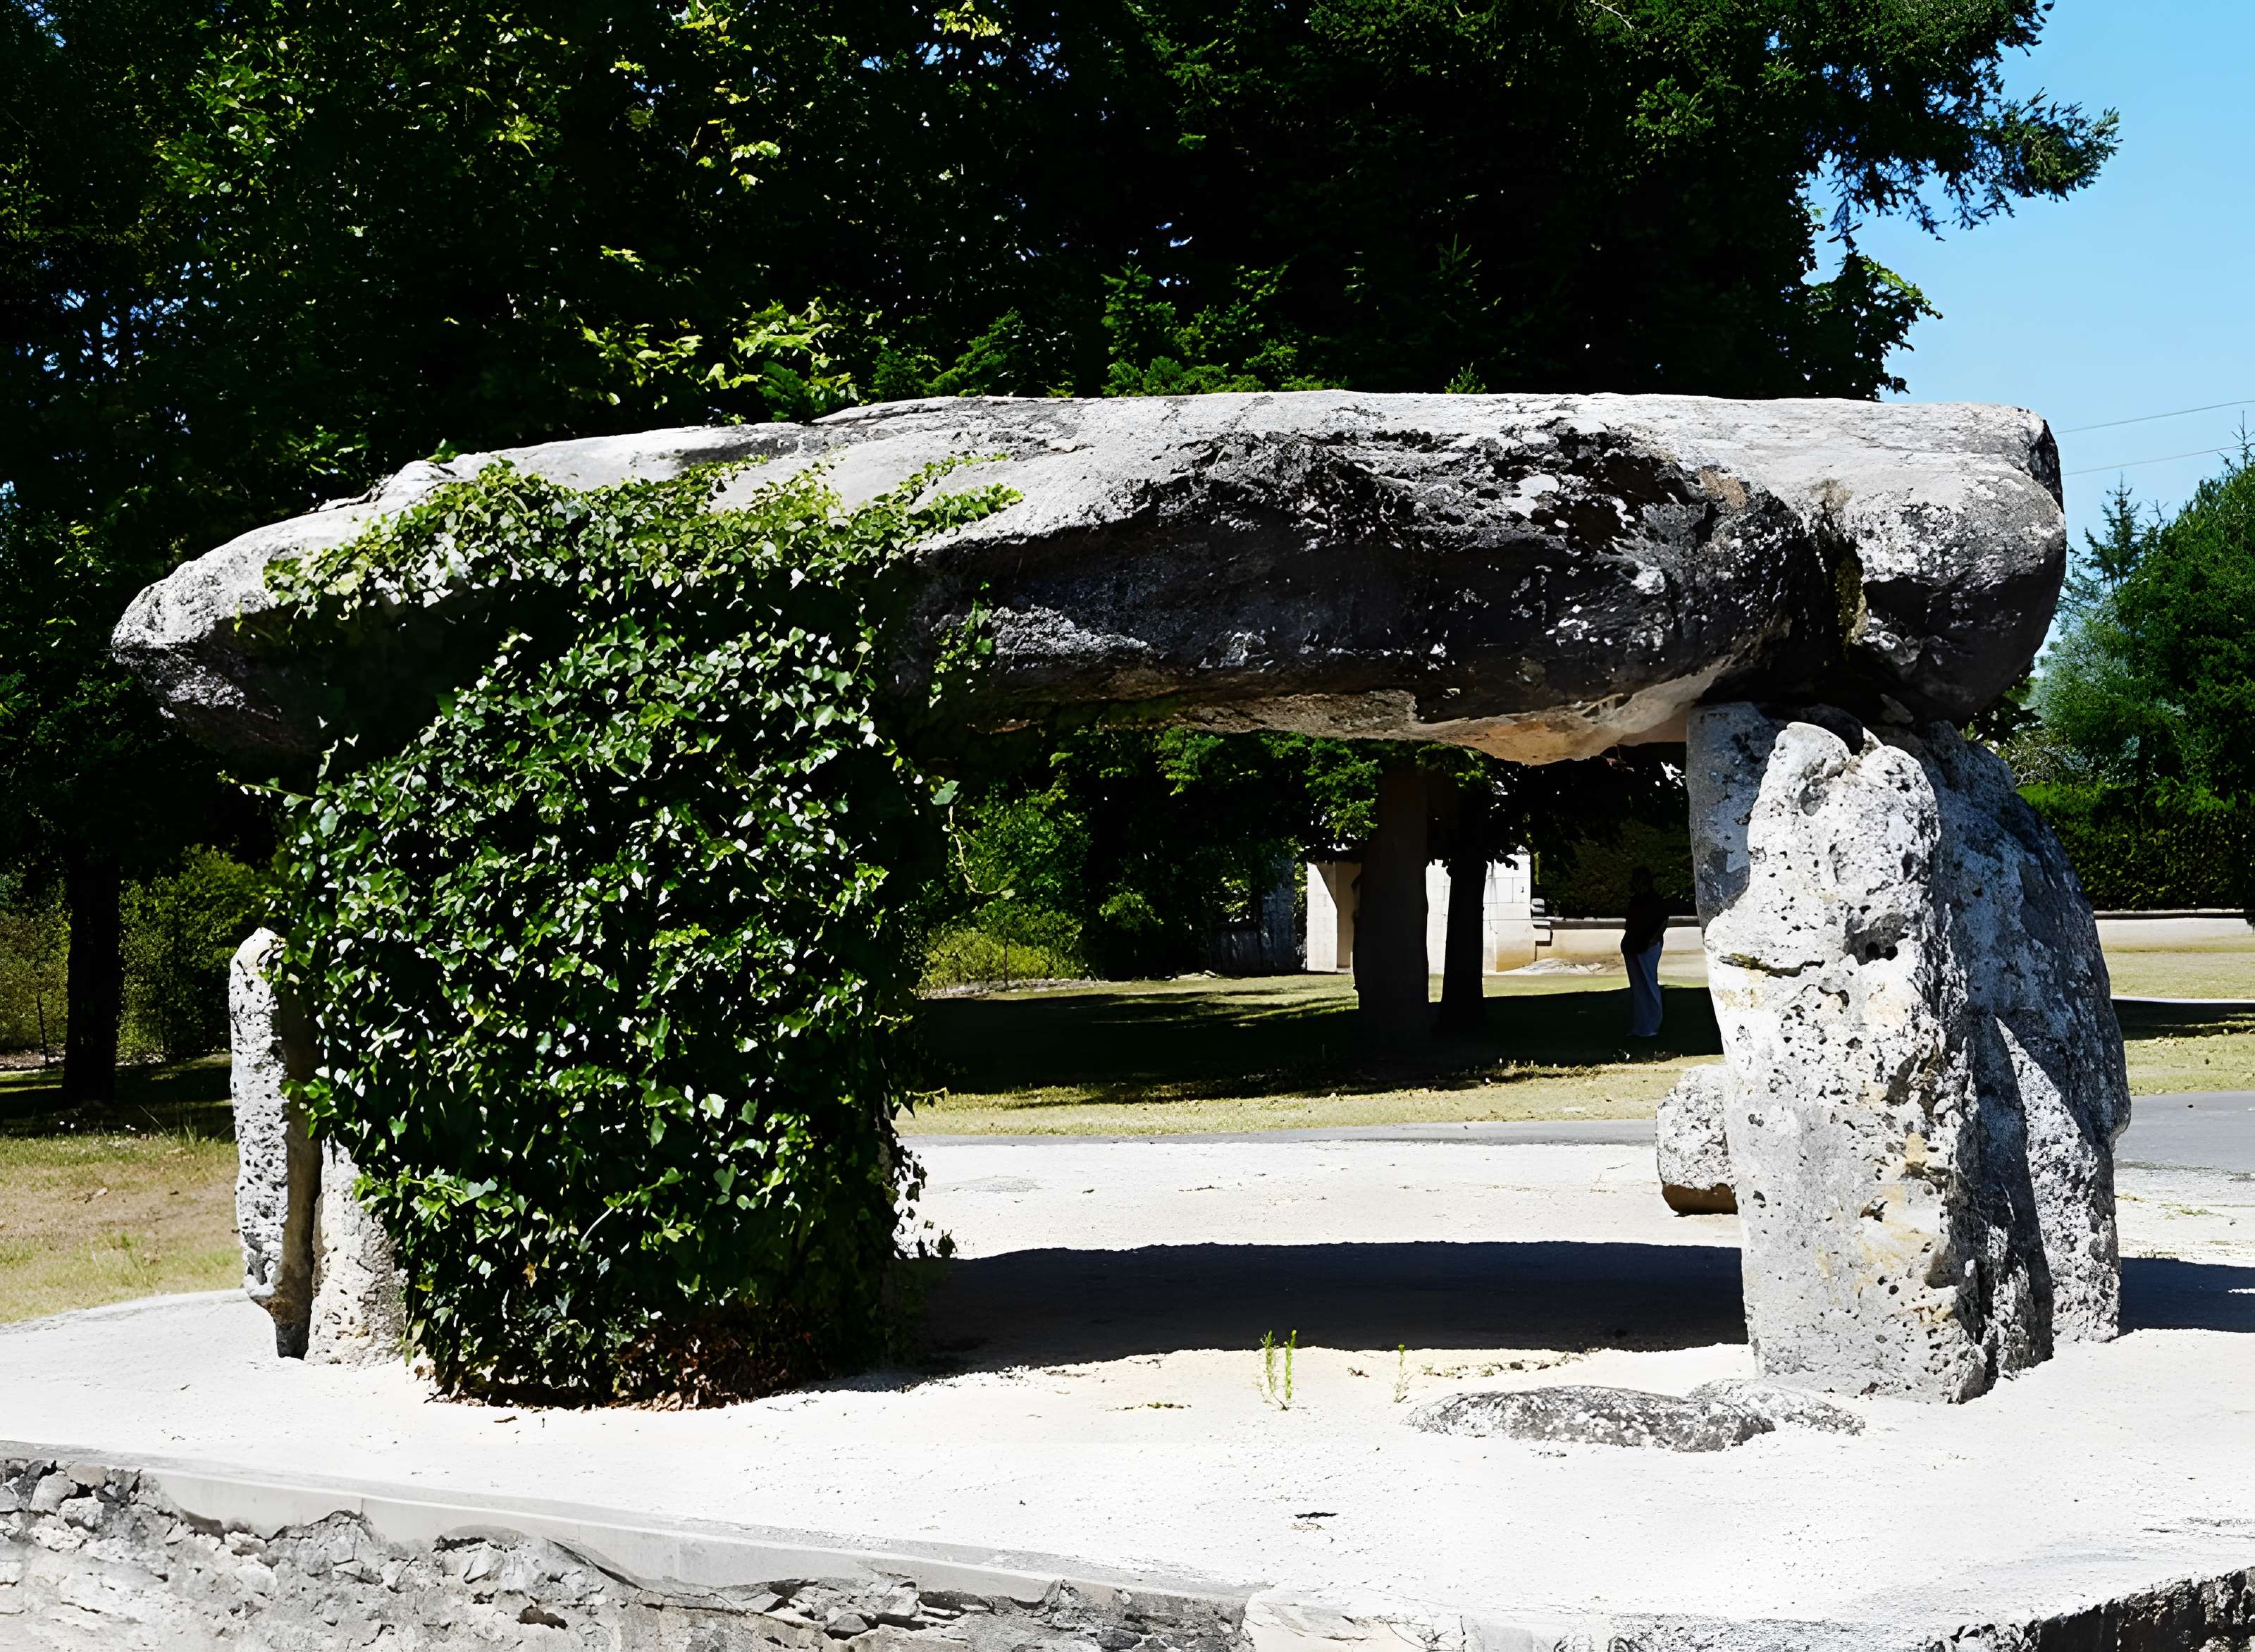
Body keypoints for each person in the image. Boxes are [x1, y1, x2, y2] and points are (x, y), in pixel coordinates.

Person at [1622, 866, 1668, 1039]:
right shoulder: (1636, 900)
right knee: (1639, 988)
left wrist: (1653, 940)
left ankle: (1651, 1026)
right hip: (1633, 945)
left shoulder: (1654, 900)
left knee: (1649, 985)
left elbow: (1663, 921)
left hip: (1647, 946)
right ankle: (1641, 1026)